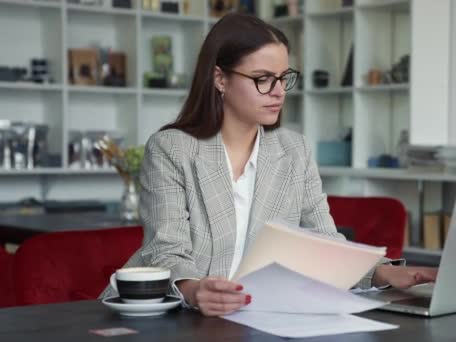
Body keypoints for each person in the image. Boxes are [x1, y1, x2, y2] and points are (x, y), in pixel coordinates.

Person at [101, 13, 437, 316]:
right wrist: (194, 290)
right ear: (220, 79)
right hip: (168, 314)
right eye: (263, 78)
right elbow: (166, 250)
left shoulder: (294, 150)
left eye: (283, 77)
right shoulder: (171, 149)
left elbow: (325, 240)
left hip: (256, 317)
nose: (278, 91)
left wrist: (381, 271)